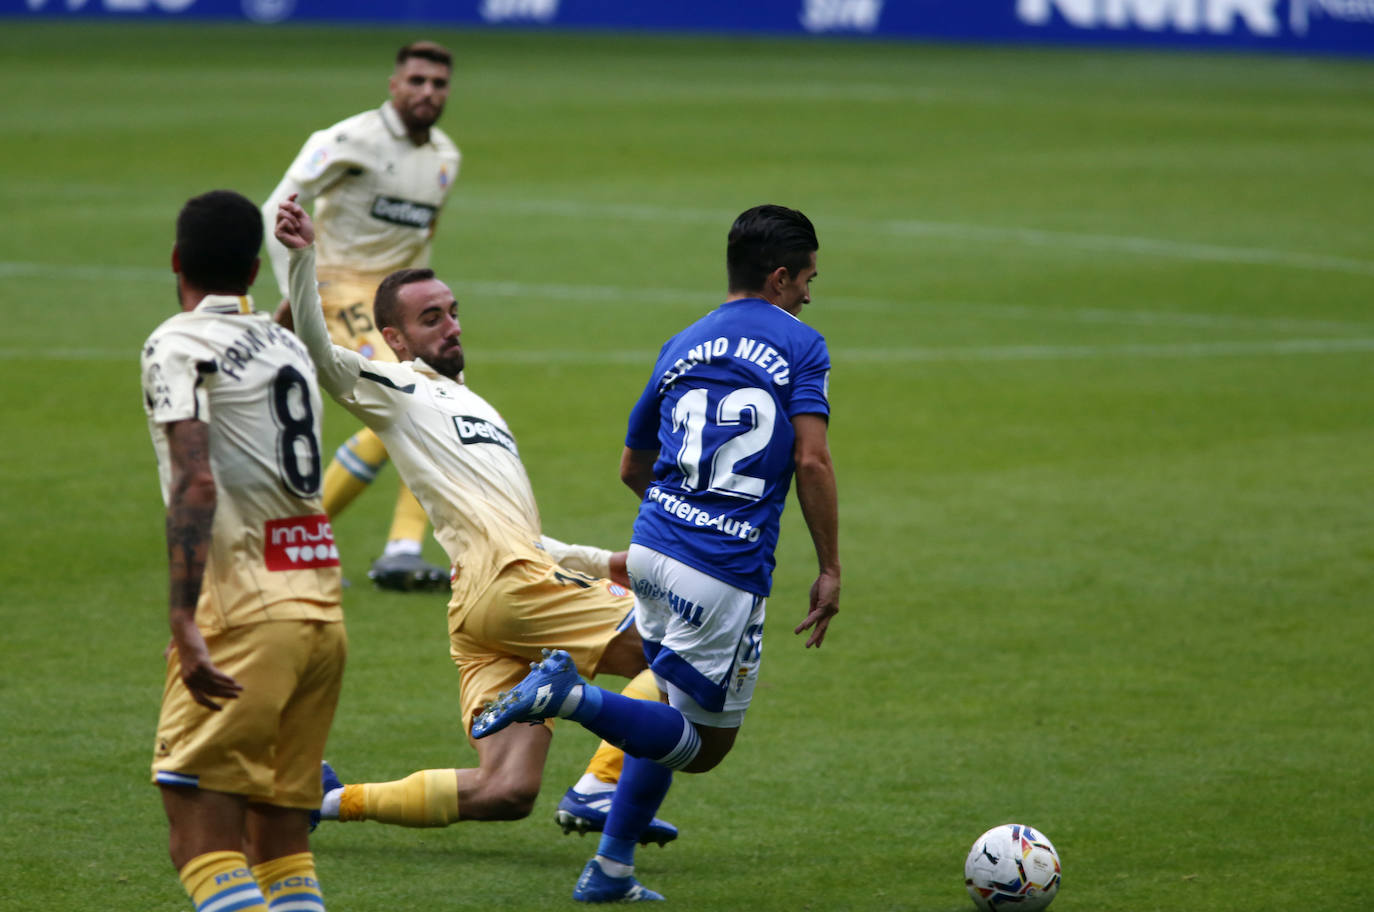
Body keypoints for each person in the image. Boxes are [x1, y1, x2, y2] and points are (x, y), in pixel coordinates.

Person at [272, 196, 677, 844]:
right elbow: (322, 358)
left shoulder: (472, 405)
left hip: (484, 608)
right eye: (430, 319)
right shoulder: (398, 392)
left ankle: (323, 800)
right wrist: (302, 259)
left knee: (506, 790)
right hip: (511, 587)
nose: (451, 326)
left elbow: (515, 532)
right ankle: (601, 787)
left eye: (453, 312)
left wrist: (601, 562)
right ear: (395, 339)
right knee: (680, 650)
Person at [472, 204, 842, 903]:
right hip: (722, 573)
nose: (808, 295)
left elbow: (631, 467)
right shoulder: (802, 345)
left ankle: (611, 869)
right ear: (779, 277)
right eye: (806, 281)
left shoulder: (683, 343)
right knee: (701, 748)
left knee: (666, 703)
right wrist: (829, 567)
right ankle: (570, 697)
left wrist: (680, 517)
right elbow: (812, 461)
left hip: (650, 551)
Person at [142, 190, 348, 912]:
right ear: (253, 268)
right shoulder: (286, 346)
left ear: (176, 260)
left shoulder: (176, 344)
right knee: (279, 845)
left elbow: (196, 482)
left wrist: (182, 618)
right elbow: (260, 343)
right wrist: (305, 260)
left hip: (245, 614)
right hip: (320, 616)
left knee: (201, 840)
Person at [261, 40, 461, 592]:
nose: (427, 92)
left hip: (394, 298)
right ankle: (296, 543)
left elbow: (420, 239)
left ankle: (401, 550)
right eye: (416, 81)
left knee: (437, 403)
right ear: (394, 85)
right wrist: (295, 292)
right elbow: (277, 207)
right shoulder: (351, 140)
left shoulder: (446, 157)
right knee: (406, 401)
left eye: (438, 83)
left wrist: (427, 310)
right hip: (338, 286)